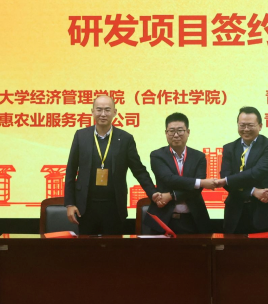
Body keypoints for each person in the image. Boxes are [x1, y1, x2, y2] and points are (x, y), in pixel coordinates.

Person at [64, 95, 160, 235]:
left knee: (114, 247)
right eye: (99, 109)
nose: (103, 114)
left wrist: (153, 193)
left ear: (115, 112)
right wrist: (70, 204)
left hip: (114, 206)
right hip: (85, 207)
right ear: (92, 111)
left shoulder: (125, 139)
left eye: (107, 110)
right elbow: (71, 171)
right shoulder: (81, 136)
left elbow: (139, 170)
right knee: (86, 247)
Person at [146, 112, 217, 234]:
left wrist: (171, 195)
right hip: (164, 219)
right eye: (171, 131)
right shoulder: (157, 155)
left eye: (180, 130)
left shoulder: (199, 157)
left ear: (188, 132)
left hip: (193, 219)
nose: (176, 135)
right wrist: (200, 182)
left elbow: (197, 190)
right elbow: (168, 179)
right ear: (166, 133)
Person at [215, 106, 268, 234]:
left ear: (260, 126)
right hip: (234, 214)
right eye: (242, 125)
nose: (246, 129)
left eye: (250, 125)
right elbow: (226, 179)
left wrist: (228, 180)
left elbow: (257, 173)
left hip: (263, 212)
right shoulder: (229, 148)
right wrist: (252, 191)